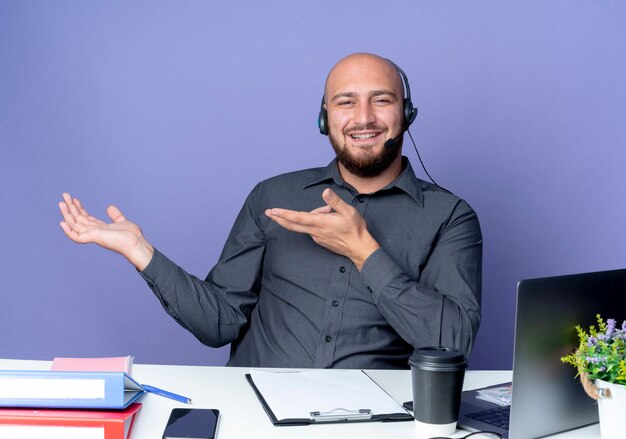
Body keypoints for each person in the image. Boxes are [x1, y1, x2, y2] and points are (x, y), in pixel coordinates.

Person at [59, 53, 482, 369]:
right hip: (255, 413)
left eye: (382, 100)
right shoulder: (272, 195)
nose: (364, 118)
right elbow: (218, 324)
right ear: (325, 118)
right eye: (346, 102)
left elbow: (452, 342)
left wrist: (364, 252)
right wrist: (141, 251)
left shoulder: (450, 217)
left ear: (405, 114)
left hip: (377, 420)